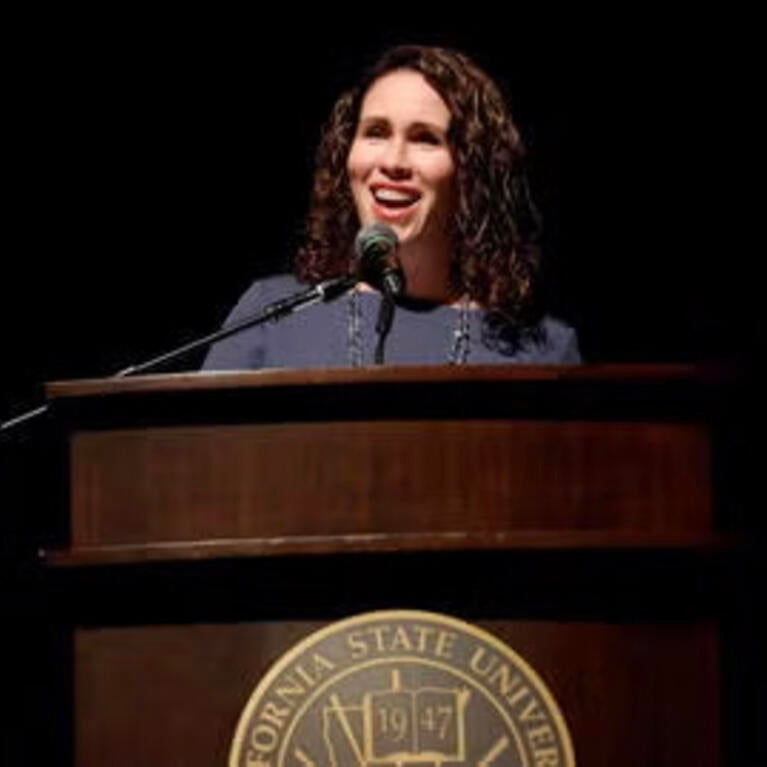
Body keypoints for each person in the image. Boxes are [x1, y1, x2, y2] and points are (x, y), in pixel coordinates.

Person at [203, 45, 580, 370]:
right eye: (376, 133)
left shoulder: (542, 350)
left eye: (425, 139)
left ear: (471, 171)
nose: (393, 162)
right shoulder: (270, 317)